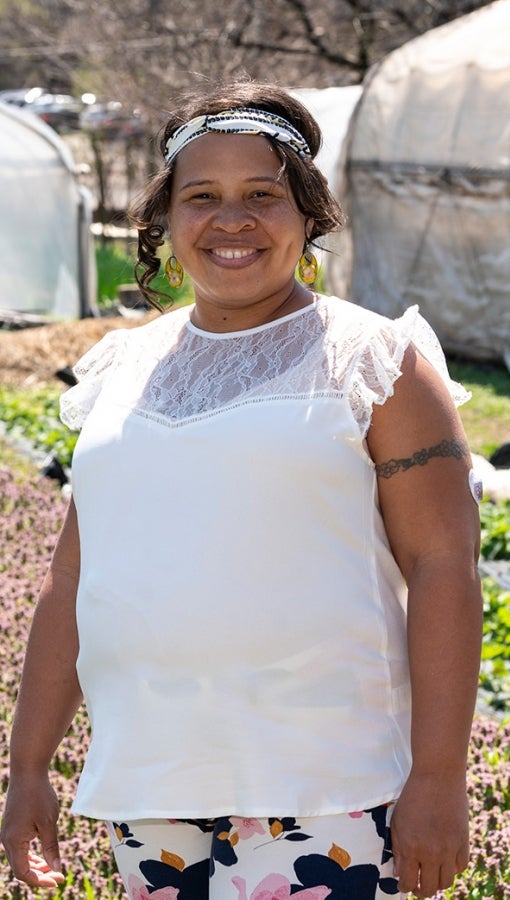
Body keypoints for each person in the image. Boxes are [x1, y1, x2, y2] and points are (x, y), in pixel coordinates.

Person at [1, 81, 482, 900]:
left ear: (310, 214)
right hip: (152, 789)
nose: (232, 219)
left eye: (263, 194)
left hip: (333, 791)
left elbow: (444, 564)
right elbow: (73, 581)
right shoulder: (119, 370)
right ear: (165, 218)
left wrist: (438, 776)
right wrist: (28, 769)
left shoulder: (374, 361)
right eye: (202, 197)